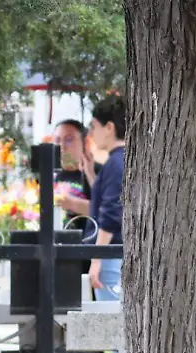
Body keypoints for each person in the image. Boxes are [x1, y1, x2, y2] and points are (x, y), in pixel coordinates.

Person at [87, 95, 126, 304]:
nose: (92, 134)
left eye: (94, 127)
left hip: (110, 254)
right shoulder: (123, 159)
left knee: (110, 321)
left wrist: (97, 258)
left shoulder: (114, 163)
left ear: (109, 127)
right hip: (117, 251)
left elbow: (111, 212)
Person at [53, 119, 101, 229]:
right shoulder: (50, 174)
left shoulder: (98, 171)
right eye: (57, 140)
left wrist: (71, 203)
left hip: (89, 242)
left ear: (85, 143)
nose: (62, 146)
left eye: (69, 140)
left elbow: (109, 211)